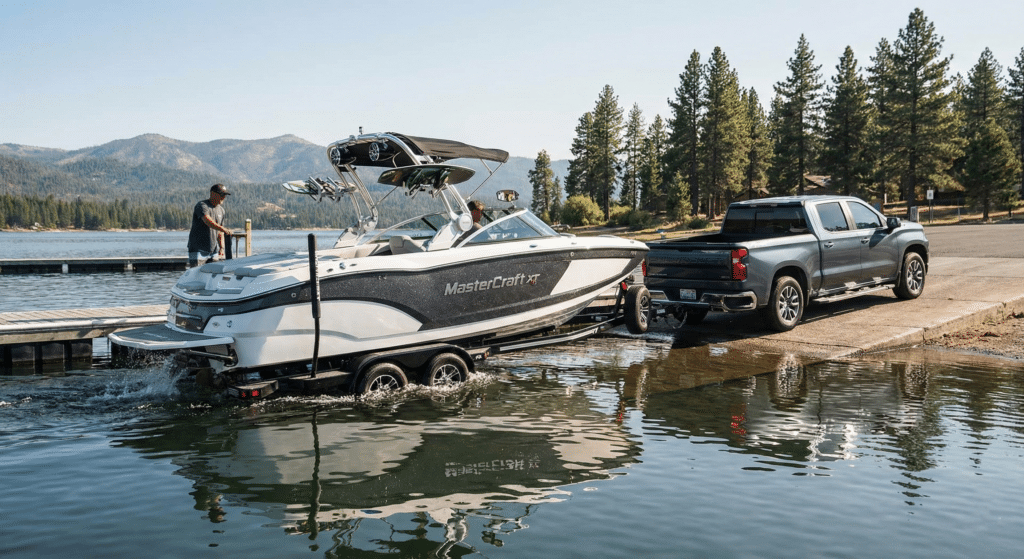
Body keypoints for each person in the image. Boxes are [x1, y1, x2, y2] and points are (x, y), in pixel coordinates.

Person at [187, 183, 233, 267]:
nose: (224, 197)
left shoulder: (221, 210)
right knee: (196, 276)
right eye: (222, 194)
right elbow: (208, 221)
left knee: (213, 276)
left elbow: (219, 232)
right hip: (198, 250)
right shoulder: (202, 205)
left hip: (213, 252)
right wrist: (223, 229)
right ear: (213, 194)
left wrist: (222, 247)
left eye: (225, 195)